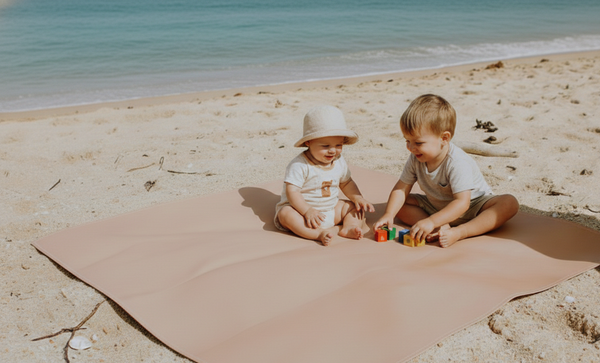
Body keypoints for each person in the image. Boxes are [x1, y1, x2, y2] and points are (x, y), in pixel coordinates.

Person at [373, 94, 519, 248]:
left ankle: (461, 232)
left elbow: (462, 203)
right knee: (399, 204)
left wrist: (431, 220)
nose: (410, 147)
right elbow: (400, 189)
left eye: (418, 142)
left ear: (444, 138)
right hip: (437, 206)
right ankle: (438, 227)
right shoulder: (415, 158)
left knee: (509, 203)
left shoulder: (456, 162)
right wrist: (389, 214)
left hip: (473, 207)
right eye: (407, 141)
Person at [275, 105, 374, 246]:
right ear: (308, 142)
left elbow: (346, 182)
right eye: (325, 146)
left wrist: (357, 197)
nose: (333, 151)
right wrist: (307, 210)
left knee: (353, 207)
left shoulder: (339, 161)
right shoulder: (300, 165)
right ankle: (317, 234)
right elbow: (293, 191)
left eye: (339, 145)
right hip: (302, 213)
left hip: (331, 209)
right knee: (285, 214)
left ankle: (349, 227)